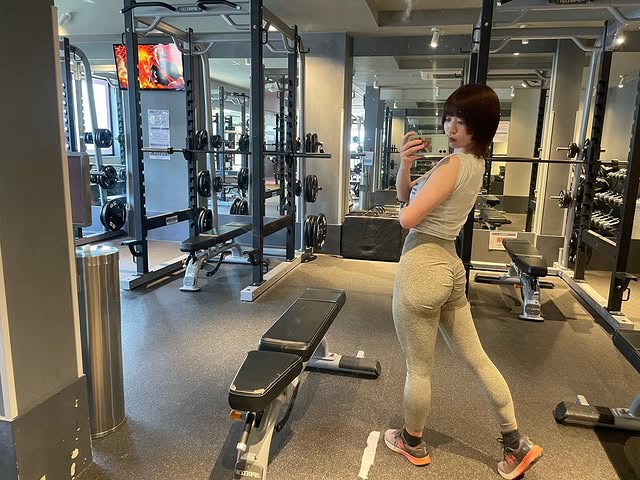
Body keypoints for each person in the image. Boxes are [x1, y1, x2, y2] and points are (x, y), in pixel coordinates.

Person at [384, 84, 543, 480]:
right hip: (450, 267)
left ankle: (412, 441)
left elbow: (406, 217)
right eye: (450, 118)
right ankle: (515, 444)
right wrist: (405, 165)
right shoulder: (473, 163)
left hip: (422, 266)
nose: (452, 128)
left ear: (481, 128)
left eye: (463, 122)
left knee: (419, 368)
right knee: (477, 358)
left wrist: (411, 204)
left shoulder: (453, 165)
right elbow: (405, 194)